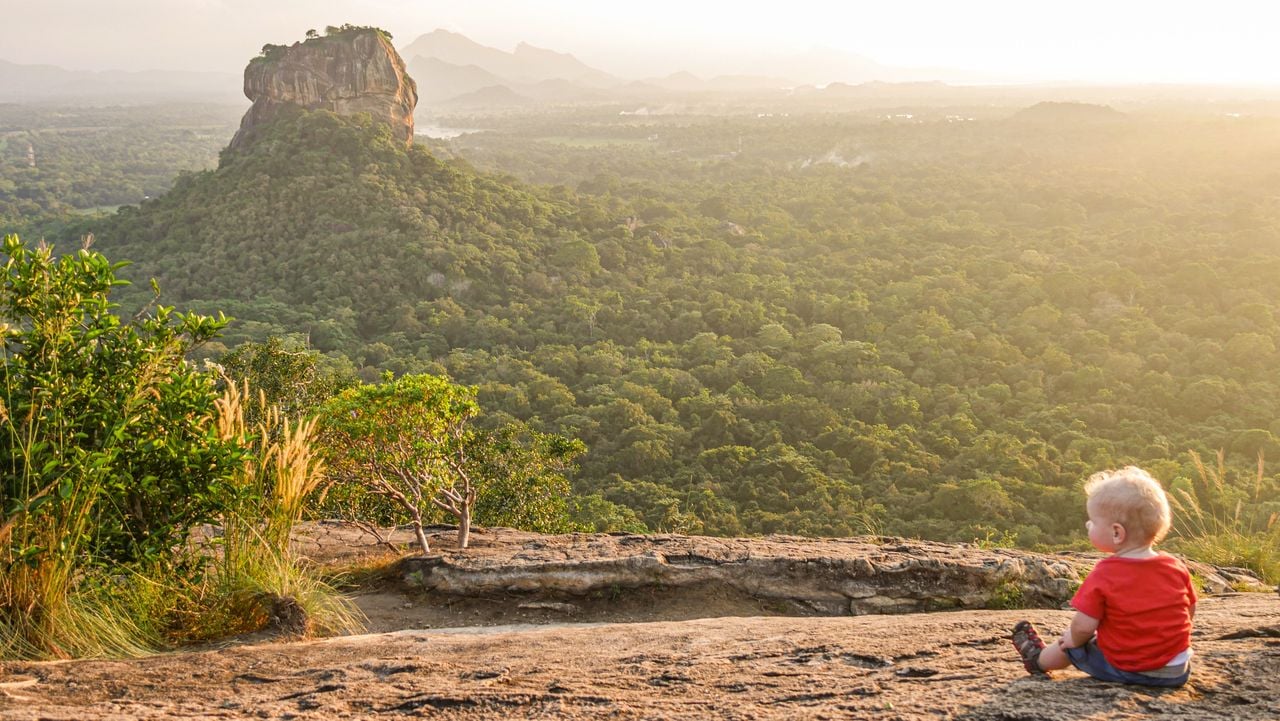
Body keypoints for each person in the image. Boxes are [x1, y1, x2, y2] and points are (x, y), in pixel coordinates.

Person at [1011, 466, 1196, 686]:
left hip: (1132, 671)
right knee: (1102, 638)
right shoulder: (1175, 566)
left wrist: (1073, 639)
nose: (1087, 524)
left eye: (1092, 521)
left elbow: (1083, 627)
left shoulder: (1106, 574)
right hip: (1176, 671)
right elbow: (1189, 609)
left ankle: (1038, 660)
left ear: (1117, 533)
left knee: (1072, 643)